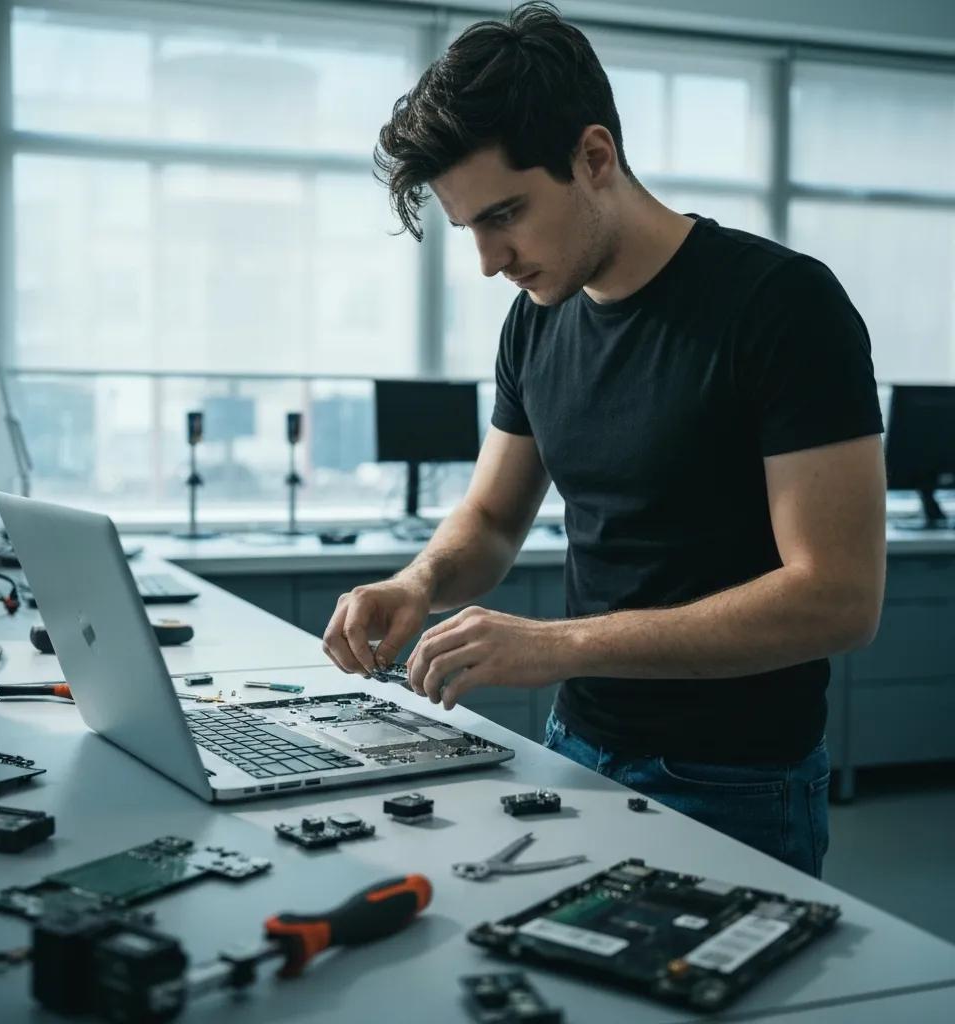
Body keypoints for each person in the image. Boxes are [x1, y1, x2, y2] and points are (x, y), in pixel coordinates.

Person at [322, 1, 885, 877]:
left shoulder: (783, 307)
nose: (488, 260)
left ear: (593, 157)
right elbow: (492, 520)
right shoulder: (536, 321)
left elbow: (839, 600)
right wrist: (418, 580)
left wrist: (555, 647)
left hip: (734, 783)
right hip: (573, 751)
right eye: (470, 227)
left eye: (504, 214)